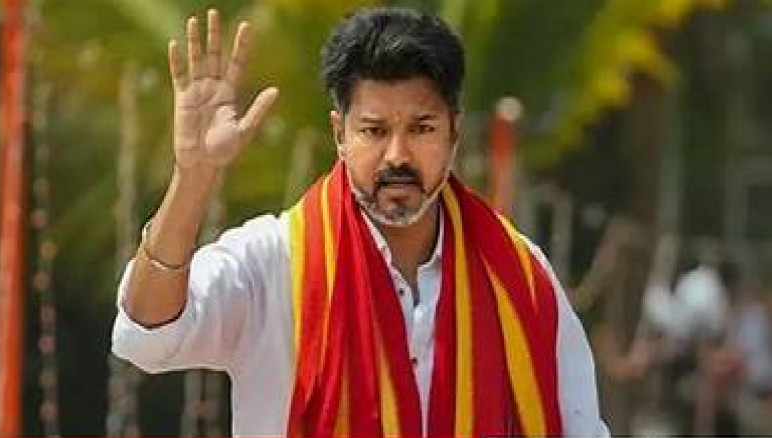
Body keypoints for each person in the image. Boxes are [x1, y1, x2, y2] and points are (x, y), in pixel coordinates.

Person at [111, 7, 607, 436]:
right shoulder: (274, 262)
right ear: (339, 135)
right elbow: (148, 333)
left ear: (454, 132)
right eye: (374, 130)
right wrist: (193, 178)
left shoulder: (520, 278)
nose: (397, 155)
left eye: (422, 128)